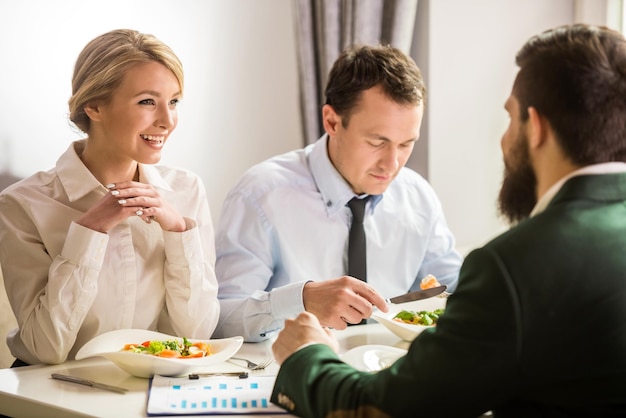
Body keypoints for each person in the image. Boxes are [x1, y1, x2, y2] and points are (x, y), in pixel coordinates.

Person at [269, 23, 626, 417]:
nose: (503, 139)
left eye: (510, 118)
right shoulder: (267, 190)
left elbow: (380, 410)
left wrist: (306, 356)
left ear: (536, 127)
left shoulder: (512, 269)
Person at [213, 44, 462, 342]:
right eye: (377, 142)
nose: (392, 164)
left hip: (390, 377)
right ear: (331, 121)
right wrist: (300, 299)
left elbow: (456, 290)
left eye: (406, 144)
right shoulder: (259, 195)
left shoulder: (418, 196)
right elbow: (221, 321)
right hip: (295, 377)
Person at [0, 29, 219, 366]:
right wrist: (89, 231)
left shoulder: (186, 191)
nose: (167, 120)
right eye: (148, 101)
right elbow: (45, 348)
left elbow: (198, 332)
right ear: (94, 105)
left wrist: (178, 231)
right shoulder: (21, 205)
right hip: (51, 395)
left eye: (173, 101)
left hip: (149, 394)